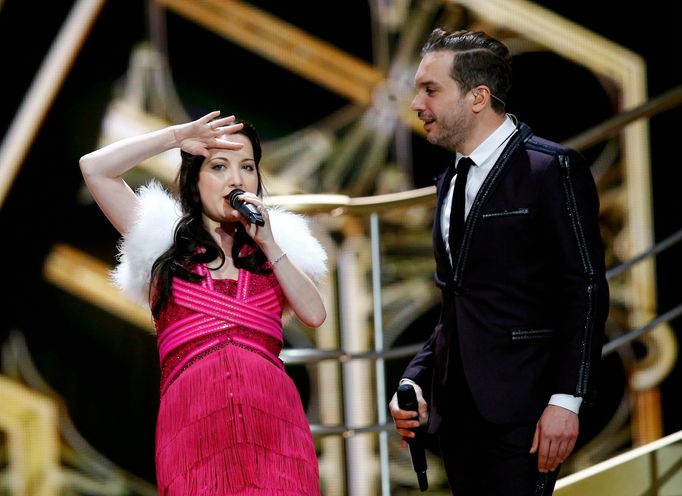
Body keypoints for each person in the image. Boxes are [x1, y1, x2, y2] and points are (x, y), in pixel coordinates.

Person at [388, 28, 609, 495]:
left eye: (430, 89)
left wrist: (567, 401)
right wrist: (416, 378)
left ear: (477, 97)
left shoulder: (550, 168)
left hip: (525, 410)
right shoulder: (450, 180)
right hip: (458, 416)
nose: (415, 104)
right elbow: (460, 303)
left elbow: (585, 289)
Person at [80, 111, 327, 495]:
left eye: (247, 167)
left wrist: (271, 243)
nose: (236, 179)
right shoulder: (162, 245)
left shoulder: (275, 253)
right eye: (219, 166)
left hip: (273, 423)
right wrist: (178, 136)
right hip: (194, 423)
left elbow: (314, 314)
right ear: (195, 179)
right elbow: (94, 168)